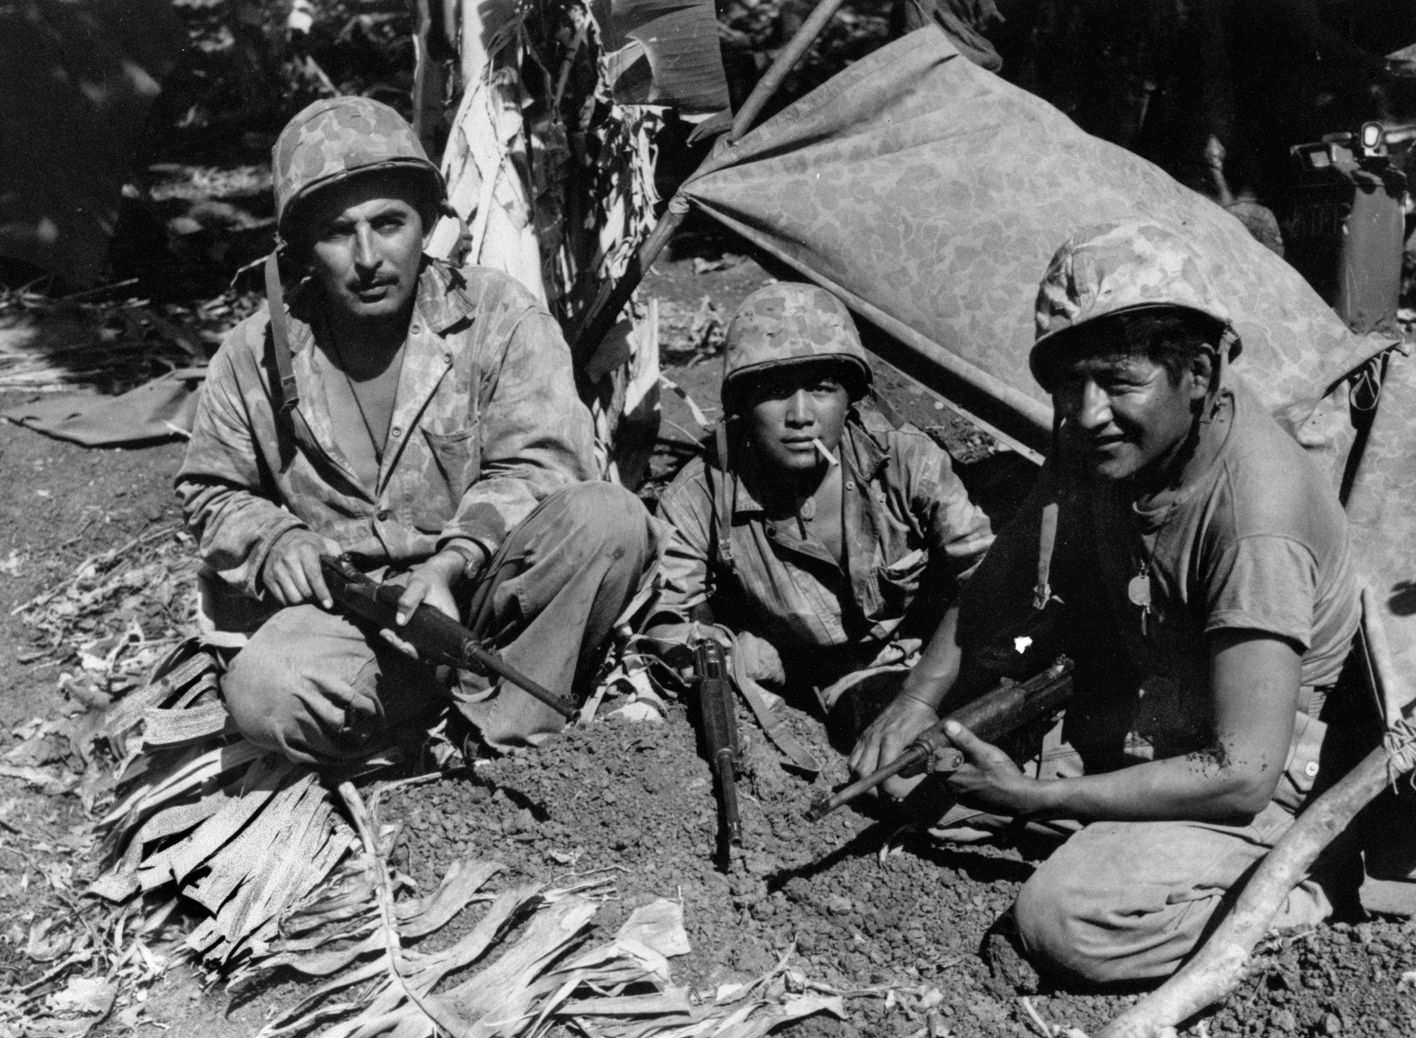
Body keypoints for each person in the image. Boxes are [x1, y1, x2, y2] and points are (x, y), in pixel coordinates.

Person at [850, 221, 1364, 986]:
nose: (1086, 413)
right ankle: (1098, 825)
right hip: (1149, 711)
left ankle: (1316, 884)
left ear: (1198, 373)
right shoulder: (1103, 434)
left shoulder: (1258, 519)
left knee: (1064, 921)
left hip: (1261, 771)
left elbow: (1242, 772)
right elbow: (1004, 577)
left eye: (1119, 383)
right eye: (1068, 384)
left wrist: (1030, 795)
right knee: (909, 771)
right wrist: (919, 699)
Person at [176, 96, 654, 764]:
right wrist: (274, 540)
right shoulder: (253, 354)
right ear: (303, 246)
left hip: (484, 604)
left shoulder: (498, 317)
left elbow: (544, 466)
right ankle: (402, 727)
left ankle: (507, 737)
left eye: (389, 222)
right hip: (350, 618)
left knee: (610, 519)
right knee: (266, 692)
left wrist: (450, 564)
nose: (368, 256)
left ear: (425, 223)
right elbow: (210, 488)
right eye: (339, 232)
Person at [647, 282, 994, 743]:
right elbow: (667, 618)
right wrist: (741, 655)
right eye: (774, 391)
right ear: (741, 406)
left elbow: (987, 574)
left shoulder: (906, 462)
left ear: (851, 398)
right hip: (846, 681)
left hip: (945, 649)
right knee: (905, 769)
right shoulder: (701, 495)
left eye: (822, 388)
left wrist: (925, 689)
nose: (800, 415)